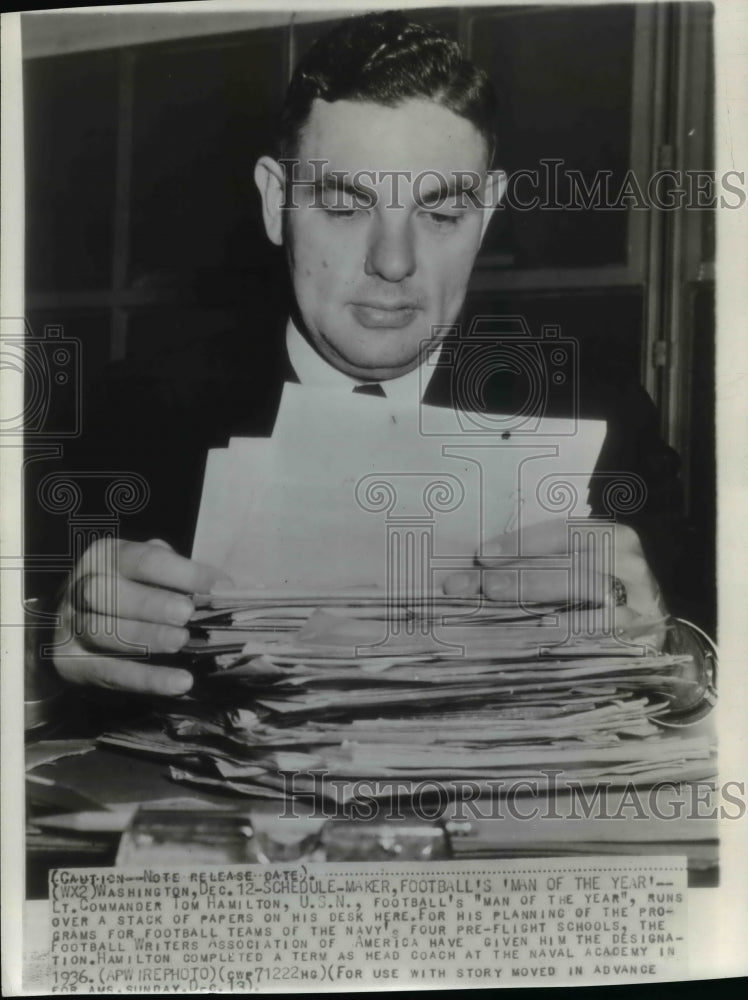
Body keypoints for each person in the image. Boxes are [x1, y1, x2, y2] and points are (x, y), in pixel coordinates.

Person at [27, 11, 682, 711]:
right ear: (277, 202)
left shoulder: (602, 413)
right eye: (345, 205)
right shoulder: (133, 417)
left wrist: (667, 640)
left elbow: (716, 674)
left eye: (440, 213)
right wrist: (52, 643)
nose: (393, 262)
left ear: (487, 212)